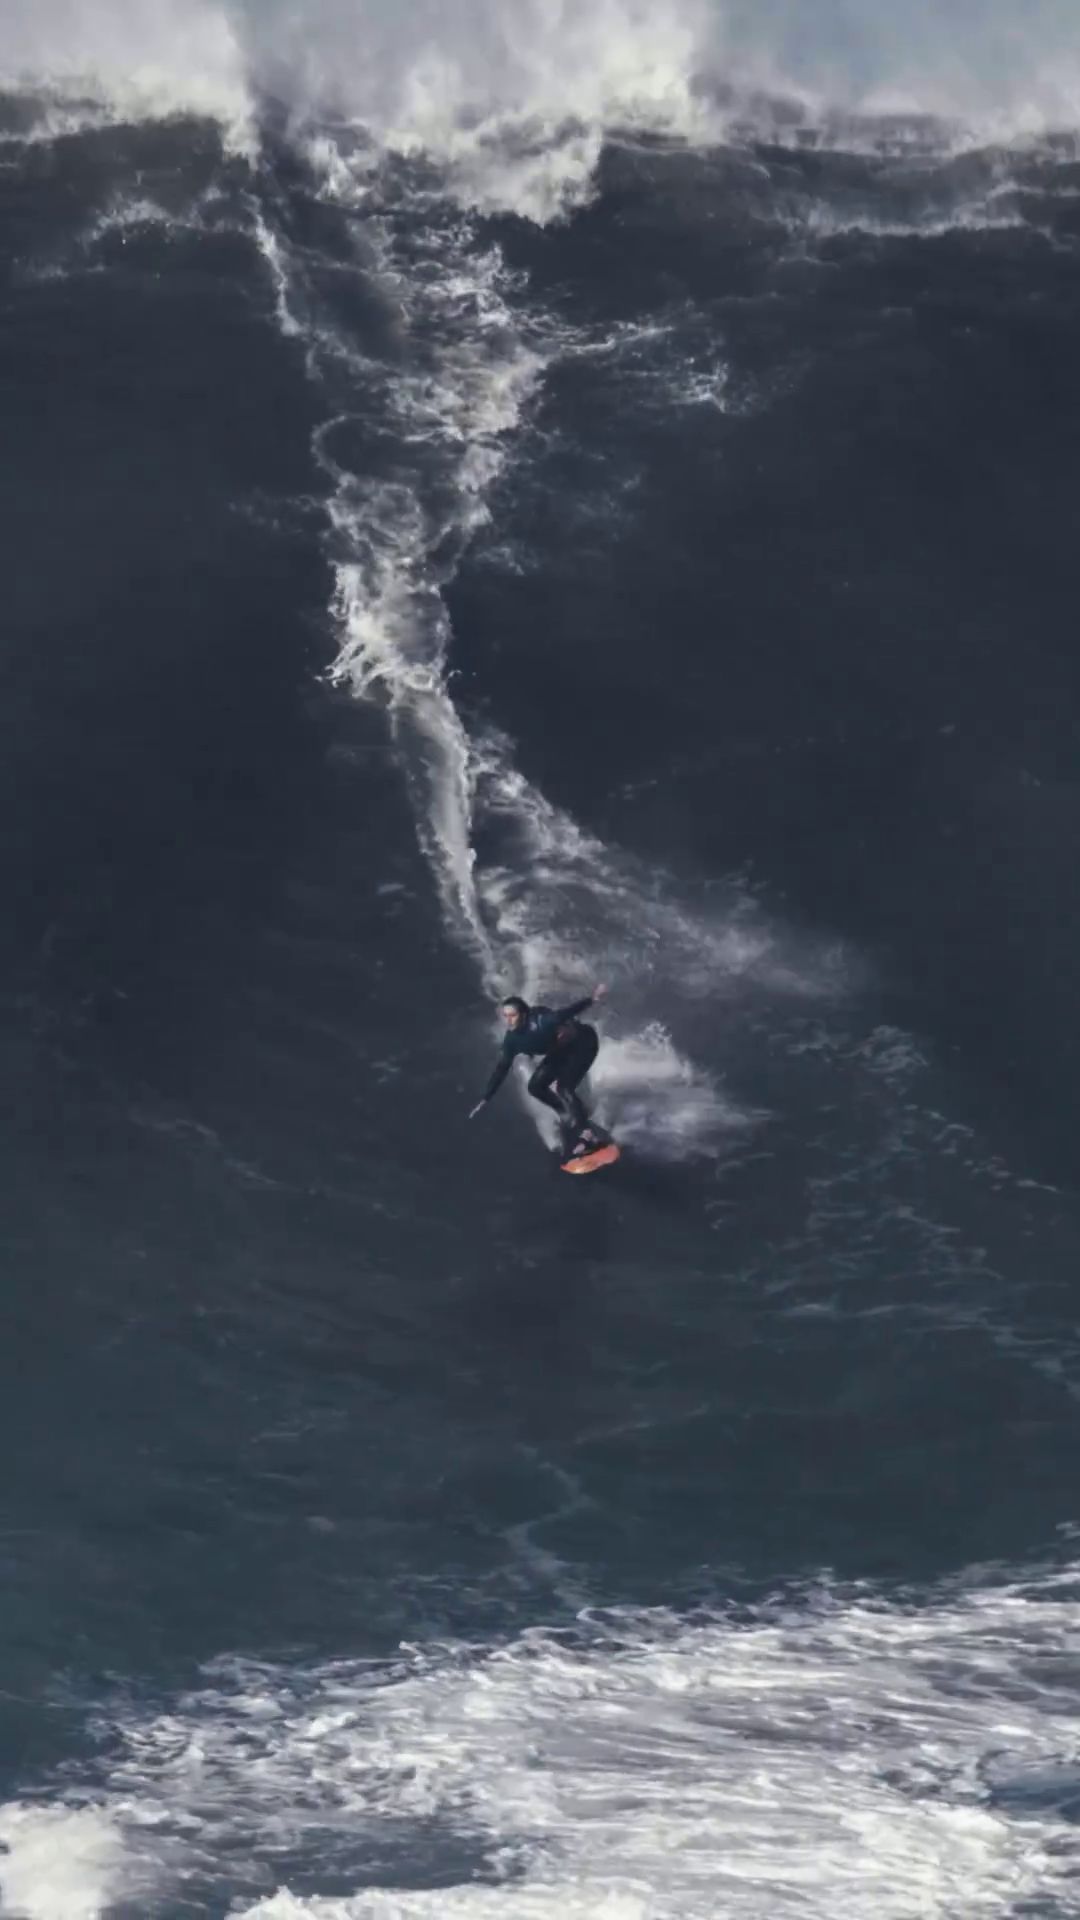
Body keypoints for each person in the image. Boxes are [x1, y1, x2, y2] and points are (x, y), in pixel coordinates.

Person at [470, 984, 608, 1148]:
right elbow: (502, 1068)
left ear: (523, 1014)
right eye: (505, 1016)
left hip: (584, 1042)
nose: (508, 1020)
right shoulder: (512, 1040)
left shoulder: (543, 1022)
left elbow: (567, 1012)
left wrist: (593, 998)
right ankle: (566, 1113)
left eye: (512, 1015)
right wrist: (486, 1097)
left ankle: (587, 1134)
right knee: (535, 1086)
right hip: (561, 1049)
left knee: (564, 1088)